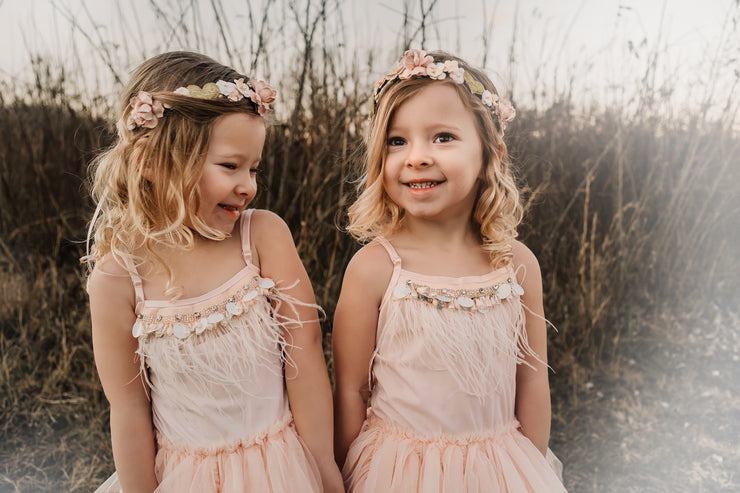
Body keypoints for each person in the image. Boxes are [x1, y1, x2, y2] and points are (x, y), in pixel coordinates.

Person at [85, 51, 343, 493]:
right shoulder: (116, 279)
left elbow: (305, 350)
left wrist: (323, 466)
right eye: (230, 166)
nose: (249, 185)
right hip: (187, 478)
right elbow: (128, 407)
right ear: (150, 161)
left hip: (280, 470)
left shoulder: (262, 236)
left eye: (254, 168)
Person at [333, 49, 567, 492]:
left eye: (442, 137)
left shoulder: (515, 263)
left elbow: (532, 379)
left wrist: (530, 468)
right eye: (397, 142)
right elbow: (350, 390)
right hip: (398, 472)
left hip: (498, 469)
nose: (417, 157)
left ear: (489, 151)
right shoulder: (375, 267)